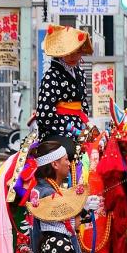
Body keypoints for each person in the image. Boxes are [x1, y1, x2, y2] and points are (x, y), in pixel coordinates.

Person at [36, 24, 94, 159]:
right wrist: (71, 129)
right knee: (70, 152)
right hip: (56, 131)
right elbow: (44, 115)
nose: (75, 56)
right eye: (70, 52)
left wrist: (86, 127)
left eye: (78, 52)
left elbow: (83, 104)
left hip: (79, 126)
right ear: (60, 52)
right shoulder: (52, 75)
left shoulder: (80, 73)